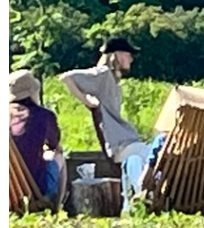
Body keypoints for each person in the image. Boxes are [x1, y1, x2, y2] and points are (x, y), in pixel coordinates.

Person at [60, 36, 147, 214]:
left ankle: (137, 201)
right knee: (157, 156)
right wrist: (86, 100)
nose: (131, 59)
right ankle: (145, 199)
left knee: (155, 153)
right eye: (129, 55)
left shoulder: (111, 79)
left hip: (124, 140)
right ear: (119, 55)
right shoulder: (103, 73)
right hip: (121, 142)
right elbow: (66, 77)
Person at [8, 69, 63, 205]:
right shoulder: (44, 116)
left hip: (9, 190)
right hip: (34, 188)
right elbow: (54, 145)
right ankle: (55, 204)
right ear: (32, 92)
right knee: (58, 156)